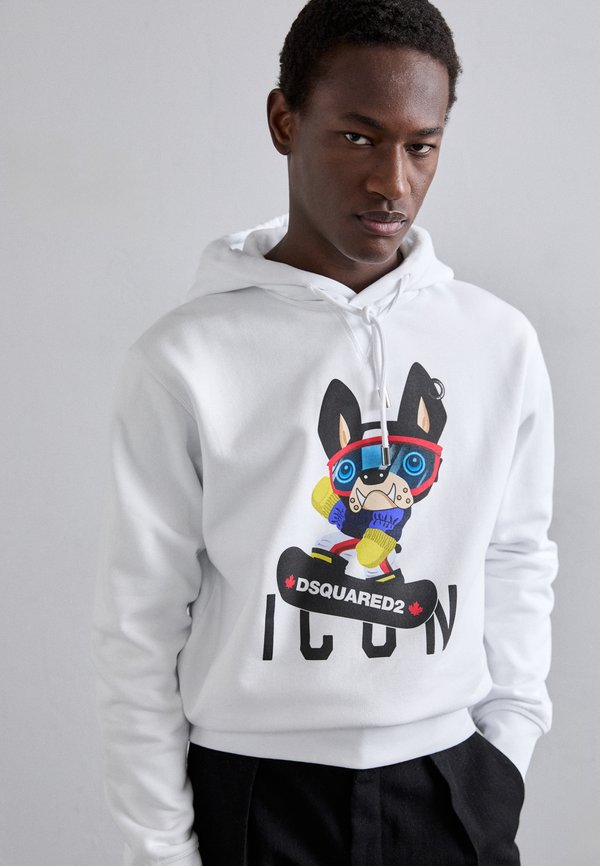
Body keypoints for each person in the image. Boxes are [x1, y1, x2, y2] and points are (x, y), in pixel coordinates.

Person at [92, 1, 558, 864]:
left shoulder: (498, 342)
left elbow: (517, 556)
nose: (392, 183)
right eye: (357, 137)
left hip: (450, 788)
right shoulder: (184, 359)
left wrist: (508, 747)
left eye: (422, 146)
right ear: (285, 120)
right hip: (256, 797)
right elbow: (141, 622)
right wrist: (161, 850)